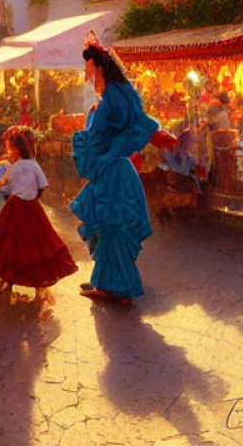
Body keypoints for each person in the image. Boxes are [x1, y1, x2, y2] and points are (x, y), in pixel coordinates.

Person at [70, 34, 173, 307]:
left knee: (111, 228)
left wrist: (80, 136)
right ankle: (106, 282)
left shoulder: (112, 97)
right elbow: (138, 122)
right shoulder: (114, 94)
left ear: (97, 66)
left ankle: (115, 289)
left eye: (88, 67)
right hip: (115, 169)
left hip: (113, 171)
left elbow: (113, 132)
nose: (86, 73)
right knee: (108, 229)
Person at [0, 126, 77, 301]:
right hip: (32, 208)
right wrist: (33, 197)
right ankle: (38, 285)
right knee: (36, 245)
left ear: (18, 148)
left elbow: (6, 185)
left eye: (10, 147)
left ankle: (7, 282)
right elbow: (42, 185)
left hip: (15, 207)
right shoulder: (33, 165)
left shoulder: (16, 166)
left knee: (10, 244)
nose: (8, 151)